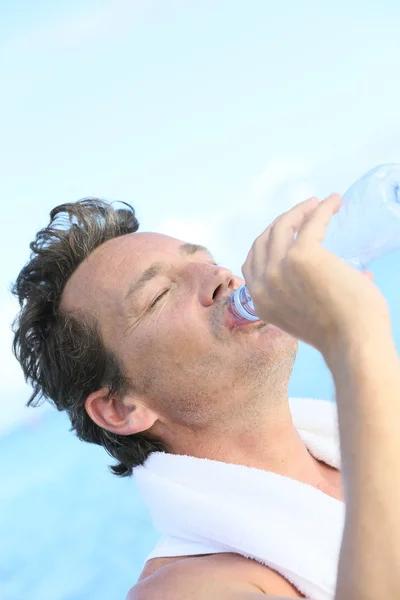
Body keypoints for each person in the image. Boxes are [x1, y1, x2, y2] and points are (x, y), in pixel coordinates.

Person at [12, 194, 400, 599]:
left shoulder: (357, 444)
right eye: (160, 294)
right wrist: (359, 347)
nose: (221, 276)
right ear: (121, 407)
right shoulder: (186, 589)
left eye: (205, 258)